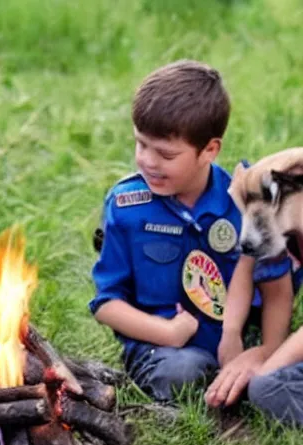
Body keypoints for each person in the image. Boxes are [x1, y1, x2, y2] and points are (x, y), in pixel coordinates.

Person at [90, 60, 292, 403]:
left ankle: (239, 375)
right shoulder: (126, 206)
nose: (148, 161)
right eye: (141, 144)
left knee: (272, 375)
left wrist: (266, 351)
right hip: (162, 347)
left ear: (210, 150)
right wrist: (166, 332)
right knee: (181, 372)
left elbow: (277, 290)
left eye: (166, 154)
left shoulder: (245, 201)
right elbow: (107, 303)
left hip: (237, 339)